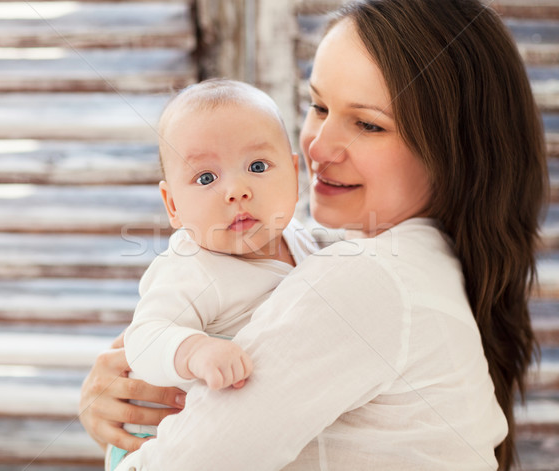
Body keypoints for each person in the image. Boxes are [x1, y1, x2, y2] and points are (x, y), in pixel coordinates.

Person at [80, 1, 548, 469]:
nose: (318, 148)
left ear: (454, 151)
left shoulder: (364, 279)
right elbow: (153, 336)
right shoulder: (413, 261)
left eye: (368, 124)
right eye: (319, 106)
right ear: (171, 205)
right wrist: (146, 370)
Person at [106, 79, 318, 470]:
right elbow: (145, 337)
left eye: (257, 166)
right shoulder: (191, 267)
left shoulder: (303, 239)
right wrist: (194, 351)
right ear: (172, 205)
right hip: (158, 442)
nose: (236, 190)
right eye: (206, 178)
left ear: (293, 173)